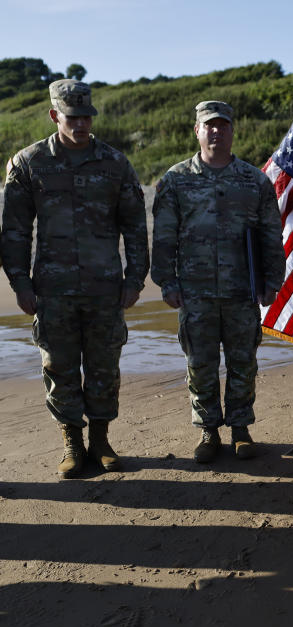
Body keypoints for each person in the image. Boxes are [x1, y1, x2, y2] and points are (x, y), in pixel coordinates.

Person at [0, 79, 148, 478]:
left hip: (106, 289)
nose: (81, 124)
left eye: (86, 117)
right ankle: (72, 442)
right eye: (72, 117)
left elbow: (135, 227)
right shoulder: (29, 163)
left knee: (104, 367)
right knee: (60, 368)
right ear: (55, 116)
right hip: (52, 290)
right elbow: (15, 230)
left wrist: (135, 280)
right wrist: (21, 284)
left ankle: (100, 441)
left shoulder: (115, 164)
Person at [151, 101, 285, 463]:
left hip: (243, 290)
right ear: (197, 130)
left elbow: (272, 232)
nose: (216, 131)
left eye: (223, 125)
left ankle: (240, 428)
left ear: (232, 131)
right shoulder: (176, 179)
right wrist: (167, 281)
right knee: (200, 362)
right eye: (209, 125)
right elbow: (164, 236)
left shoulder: (254, 180)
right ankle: (209, 430)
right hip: (195, 292)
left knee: (244, 361)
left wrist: (273, 279)